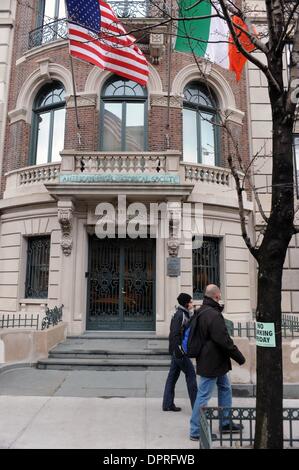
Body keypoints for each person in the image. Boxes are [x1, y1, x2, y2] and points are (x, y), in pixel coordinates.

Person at [189, 284, 246, 440]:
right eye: (219, 295)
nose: (220, 297)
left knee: (225, 387)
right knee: (204, 395)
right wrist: (239, 357)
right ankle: (195, 430)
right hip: (212, 361)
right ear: (216, 296)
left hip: (214, 360)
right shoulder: (212, 315)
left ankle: (225, 422)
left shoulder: (202, 311)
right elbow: (223, 340)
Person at [162, 293, 198, 412]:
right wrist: (179, 351)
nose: (192, 304)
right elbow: (175, 334)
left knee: (172, 377)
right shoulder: (180, 315)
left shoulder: (181, 313)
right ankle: (196, 407)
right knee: (191, 375)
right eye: (191, 302)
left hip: (175, 351)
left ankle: (167, 404)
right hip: (179, 352)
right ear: (187, 303)